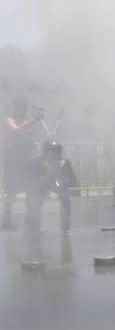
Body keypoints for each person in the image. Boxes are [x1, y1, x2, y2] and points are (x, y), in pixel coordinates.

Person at [2, 99, 41, 231]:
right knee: (12, 191)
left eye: (26, 106)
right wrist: (33, 121)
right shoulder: (9, 119)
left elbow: (27, 138)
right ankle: (7, 221)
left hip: (26, 159)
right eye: (22, 106)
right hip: (13, 159)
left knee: (31, 189)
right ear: (16, 106)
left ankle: (30, 219)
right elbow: (16, 131)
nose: (24, 109)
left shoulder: (26, 121)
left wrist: (33, 146)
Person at [28, 140, 78, 234]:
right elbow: (30, 178)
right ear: (45, 152)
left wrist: (63, 183)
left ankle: (65, 226)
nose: (53, 154)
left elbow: (72, 178)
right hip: (41, 185)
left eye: (56, 151)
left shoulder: (64, 162)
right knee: (35, 200)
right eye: (51, 151)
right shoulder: (37, 162)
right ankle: (34, 226)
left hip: (58, 184)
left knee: (65, 199)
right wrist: (39, 181)